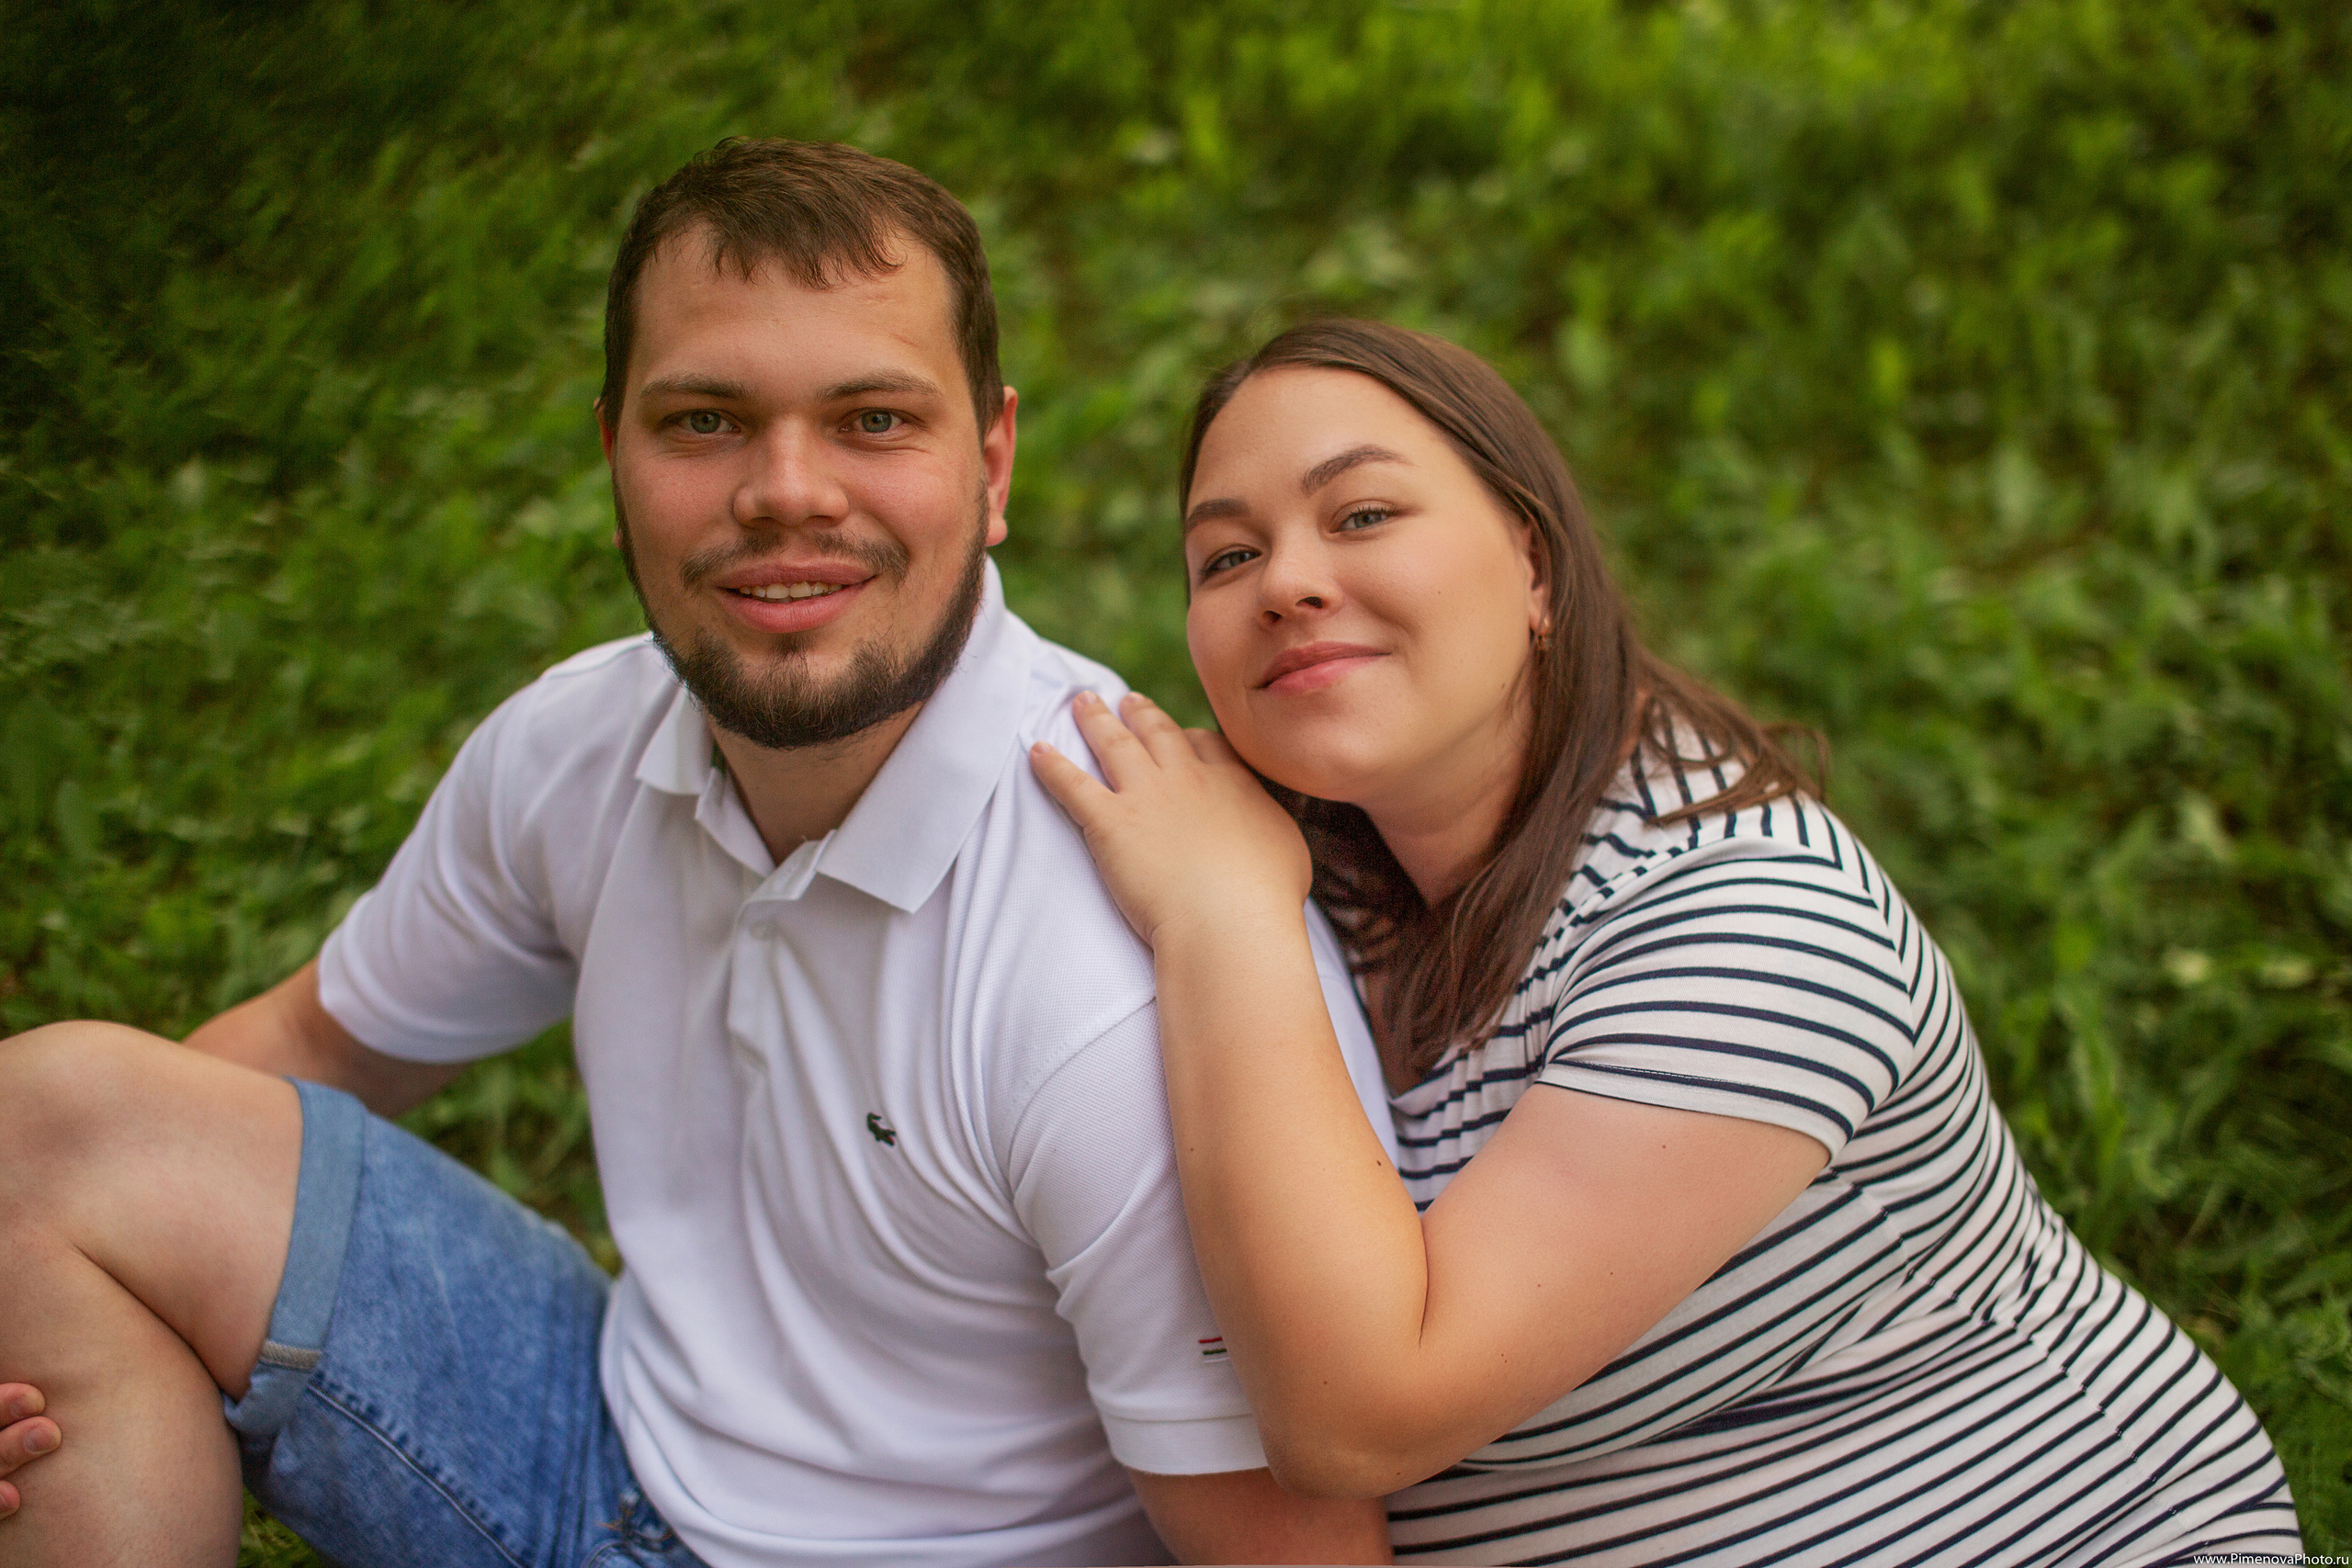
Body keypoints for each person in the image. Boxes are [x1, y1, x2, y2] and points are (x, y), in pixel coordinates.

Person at [0, 141, 1399, 1568]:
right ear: (615, 455)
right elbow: (313, 1039)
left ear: (989, 465)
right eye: (708, 422)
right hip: (603, 1439)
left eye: (870, 420)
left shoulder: (1116, 968)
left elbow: (1294, 1550)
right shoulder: (576, 747)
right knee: (46, 1136)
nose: (787, 491)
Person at [1029, 318, 2305, 1565]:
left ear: (1533, 567)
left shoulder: (1755, 927)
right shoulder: (1339, 876)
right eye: (1226, 558)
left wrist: (1222, 923)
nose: (1289, 582)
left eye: (1362, 516)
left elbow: (1358, 1418)